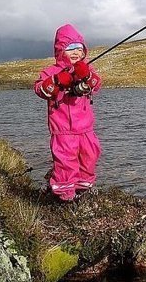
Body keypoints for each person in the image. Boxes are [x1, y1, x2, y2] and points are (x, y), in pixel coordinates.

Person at [34, 24, 102, 202]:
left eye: (79, 48)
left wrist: (86, 76)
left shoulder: (87, 69)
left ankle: (83, 190)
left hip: (86, 129)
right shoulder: (50, 71)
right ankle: (65, 197)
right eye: (70, 48)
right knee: (65, 162)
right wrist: (56, 80)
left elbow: (97, 84)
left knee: (90, 156)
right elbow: (41, 90)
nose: (76, 52)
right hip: (62, 129)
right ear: (60, 50)